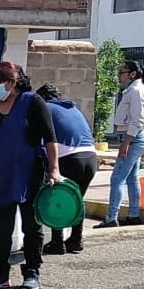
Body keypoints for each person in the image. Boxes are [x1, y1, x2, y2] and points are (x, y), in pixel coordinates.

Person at [0, 62, 60, 289]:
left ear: (12, 83)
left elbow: (50, 138)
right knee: (1, 228)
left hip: (29, 175)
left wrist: (54, 168)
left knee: (32, 226)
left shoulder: (32, 102)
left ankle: (32, 272)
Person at [35, 84, 98, 254]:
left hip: (69, 158)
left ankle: (57, 242)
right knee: (77, 198)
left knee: (58, 199)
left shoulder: (45, 108)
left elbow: (39, 139)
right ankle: (76, 240)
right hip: (91, 158)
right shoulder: (72, 107)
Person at [96, 60, 144, 229]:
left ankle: (111, 217)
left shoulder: (135, 91)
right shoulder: (135, 90)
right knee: (132, 178)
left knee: (117, 178)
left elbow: (137, 120)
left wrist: (126, 144)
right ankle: (133, 214)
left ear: (132, 74)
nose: (119, 76)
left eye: (122, 72)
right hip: (136, 137)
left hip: (132, 138)